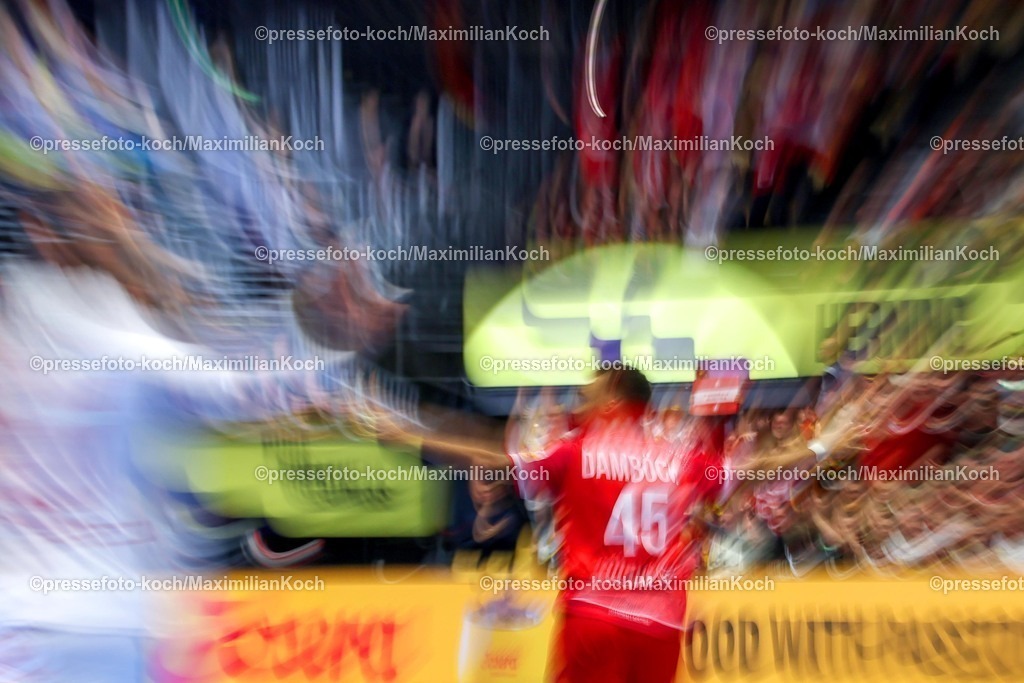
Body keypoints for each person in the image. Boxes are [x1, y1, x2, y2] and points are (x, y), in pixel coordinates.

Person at [383, 366, 720, 683]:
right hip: (661, 626)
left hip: (595, 617)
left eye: (586, 395)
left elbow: (492, 458)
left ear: (614, 396)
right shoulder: (682, 458)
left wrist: (410, 435)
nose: (578, 402)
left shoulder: (577, 450)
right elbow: (744, 470)